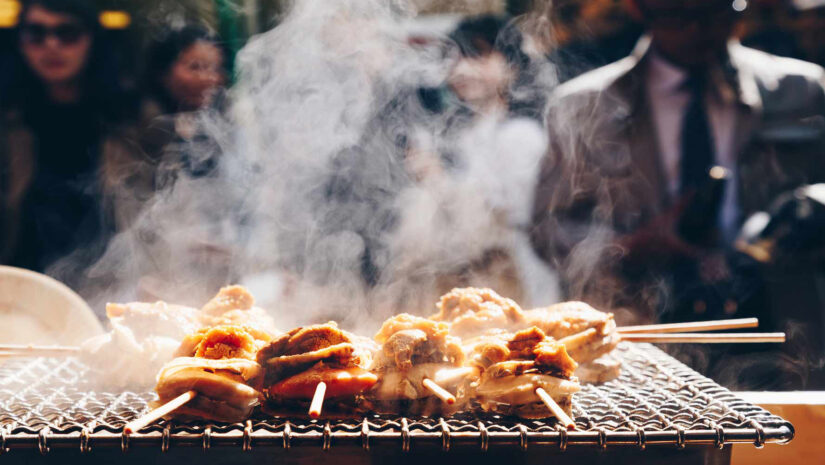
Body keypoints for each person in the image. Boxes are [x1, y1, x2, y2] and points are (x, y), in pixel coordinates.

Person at [531, 0, 825, 325]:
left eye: (716, 13)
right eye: (679, 14)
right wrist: (627, 246)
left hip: (780, 315)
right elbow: (547, 227)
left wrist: (791, 224)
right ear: (638, 9)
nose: (698, 30)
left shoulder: (802, 91)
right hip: (644, 318)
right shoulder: (584, 106)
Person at [0, 0, 142, 278]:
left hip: (112, 282)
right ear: (20, 41)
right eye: (36, 33)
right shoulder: (6, 119)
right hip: (19, 286)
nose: (51, 45)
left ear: (92, 39)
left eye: (67, 33)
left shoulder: (132, 116)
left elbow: (158, 207)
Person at [139, 26, 227, 180]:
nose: (210, 78)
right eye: (195, 67)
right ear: (163, 71)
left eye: (215, 68)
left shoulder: (222, 122)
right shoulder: (141, 126)